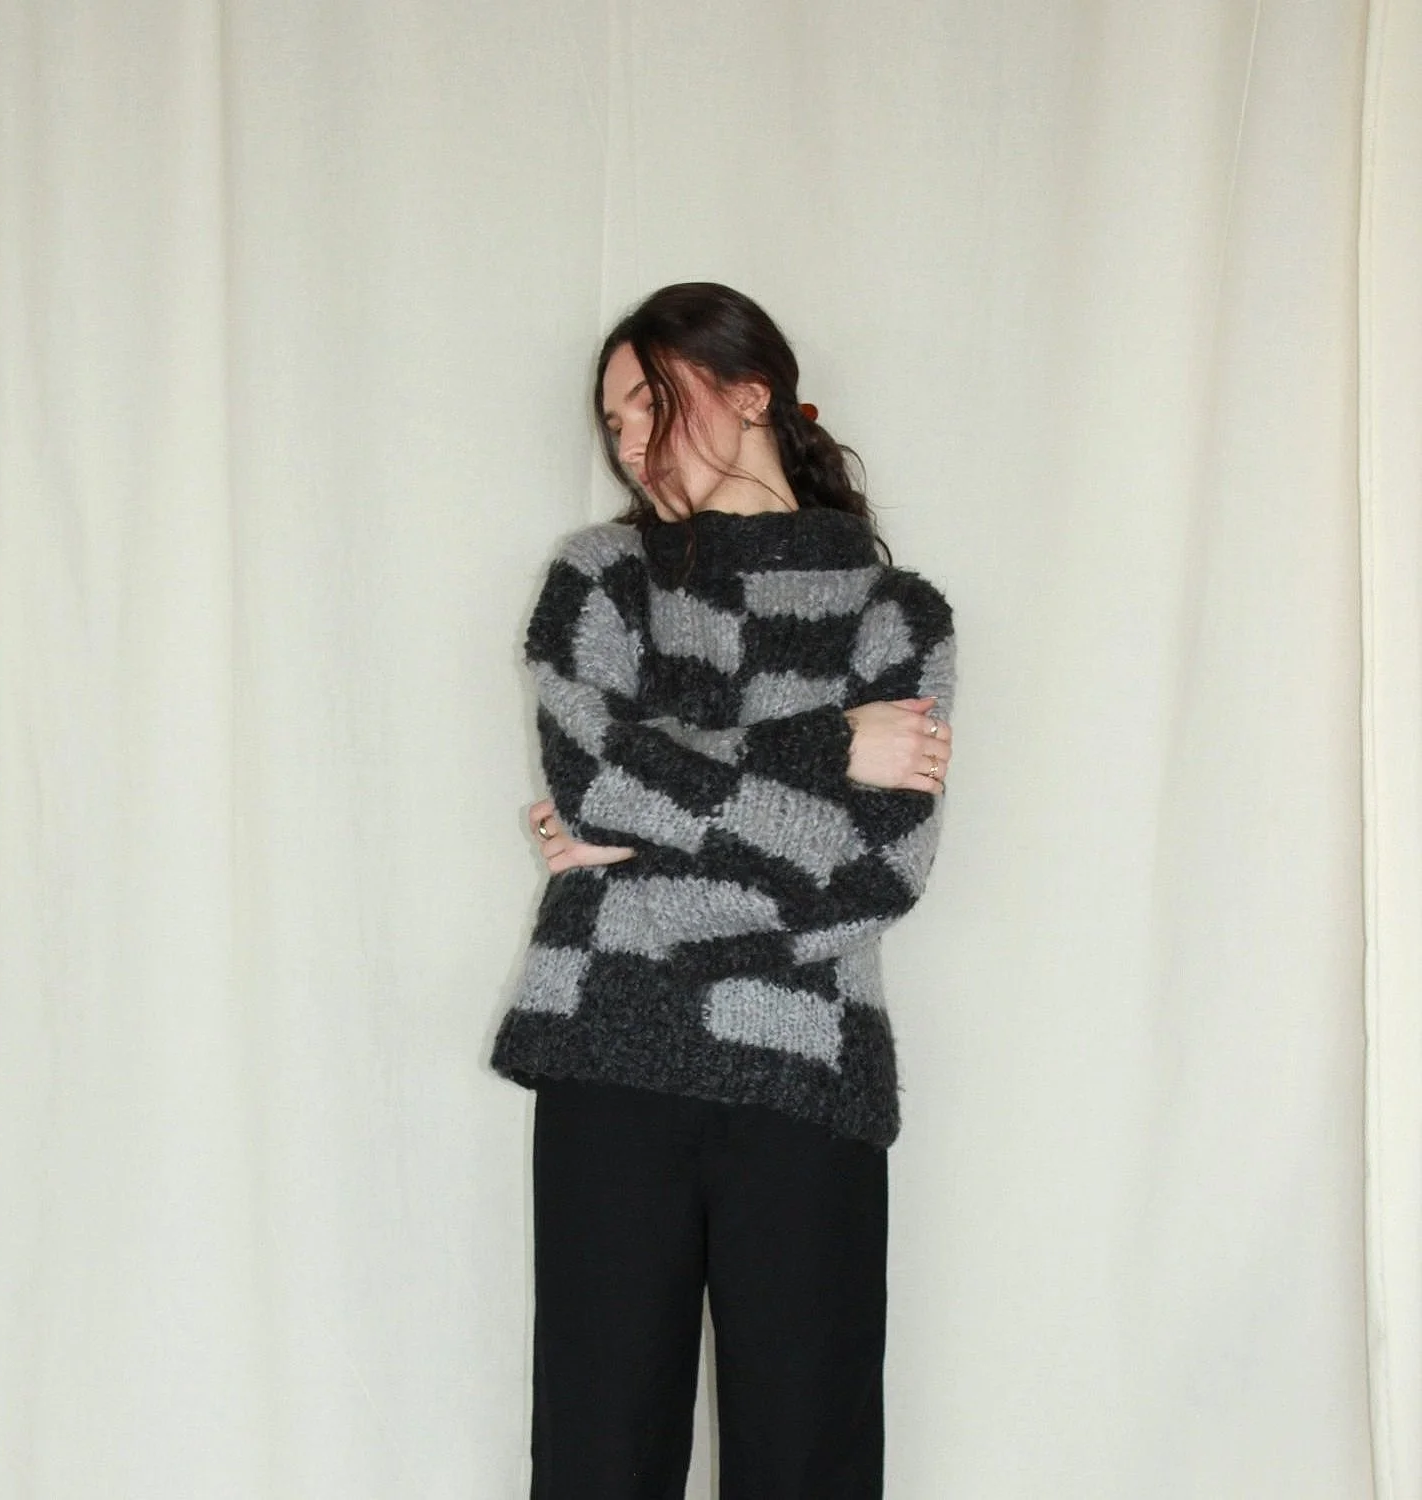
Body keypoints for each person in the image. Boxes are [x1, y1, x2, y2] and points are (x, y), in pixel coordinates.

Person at [490, 282, 955, 1499]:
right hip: (609, 1058)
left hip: (810, 1073)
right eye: (613, 422)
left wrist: (641, 866)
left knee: (808, 1463)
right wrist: (825, 747)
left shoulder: (892, 618)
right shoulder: (602, 580)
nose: (630, 441)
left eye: (650, 400)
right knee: (598, 1459)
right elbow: (593, 775)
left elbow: (882, 867)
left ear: (752, 392)